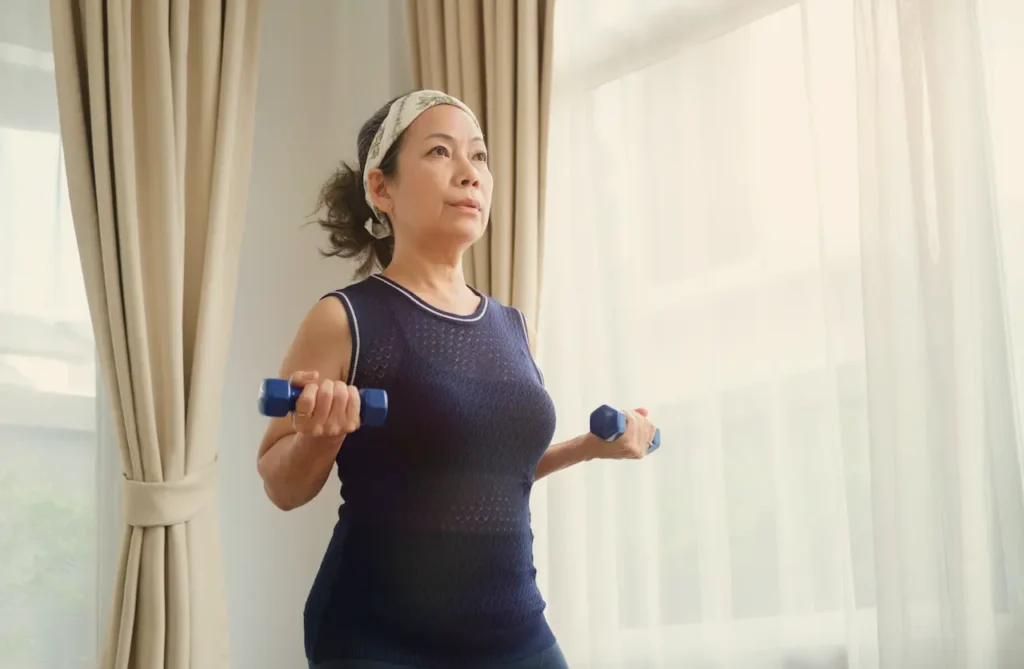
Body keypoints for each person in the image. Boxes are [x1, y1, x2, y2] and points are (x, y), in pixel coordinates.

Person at [257, 90, 657, 669]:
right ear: (381, 188)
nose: (470, 174)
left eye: (480, 157)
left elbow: (484, 474)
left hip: (515, 632)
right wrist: (322, 434)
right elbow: (280, 485)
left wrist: (588, 448)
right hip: (378, 640)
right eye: (441, 152)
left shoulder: (513, 326)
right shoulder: (346, 317)